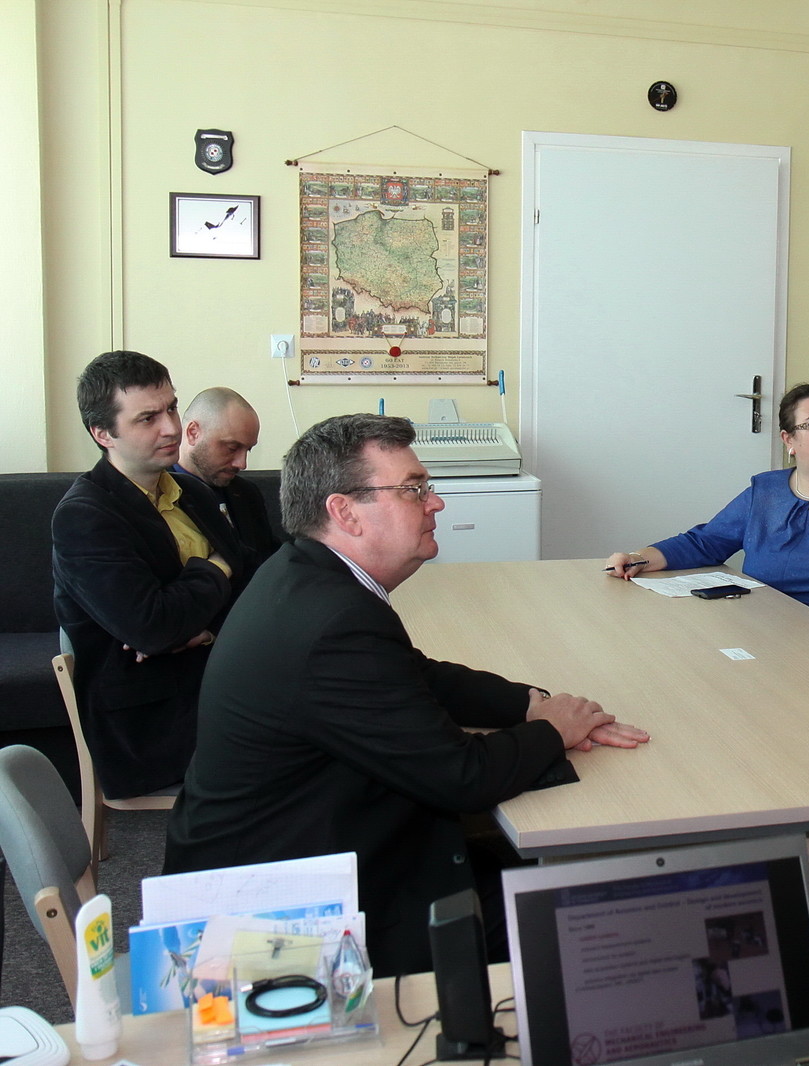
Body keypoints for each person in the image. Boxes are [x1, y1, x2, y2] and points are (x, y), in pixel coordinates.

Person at [163, 413, 648, 976]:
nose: (435, 503)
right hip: (286, 916)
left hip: (302, 851)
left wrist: (529, 702)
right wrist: (554, 729)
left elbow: (415, 674)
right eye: (414, 489)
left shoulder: (306, 575)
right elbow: (462, 777)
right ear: (345, 512)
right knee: (593, 917)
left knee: (540, 869)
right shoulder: (333, 623)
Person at [53, 351, 250, 799]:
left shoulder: (193, 492)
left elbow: (249, 583)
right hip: (154, 719)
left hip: (216, 676)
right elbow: (154, 628)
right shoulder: (84, 516)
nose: (171, 428)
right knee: (320, 744)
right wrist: (216, 566)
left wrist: (202, 629)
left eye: (171, 408)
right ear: (103, 433)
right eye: (147, 418)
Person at [604, 384, 809, 633]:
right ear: (788, 439)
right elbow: (706, 542)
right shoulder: (766, 490)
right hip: (764, 624)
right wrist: (638, 559)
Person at [173, 386, 283, 566]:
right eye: (232, 448)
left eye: (248, 450)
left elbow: (269, 561)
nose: (242, 464)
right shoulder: (158, 494)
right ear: (193, 433)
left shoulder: (247, 494)